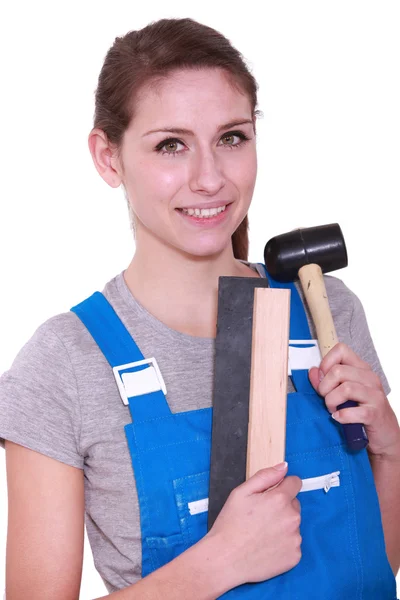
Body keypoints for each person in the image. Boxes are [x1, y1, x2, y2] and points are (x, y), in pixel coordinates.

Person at [1, 16, 400, 600]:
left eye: (231, 138)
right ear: (108, 159)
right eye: (171, 145)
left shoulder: (325, 314)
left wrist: (389, 448)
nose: (209, 179)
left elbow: (376, 562)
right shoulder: (64, 365)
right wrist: (218, 563)